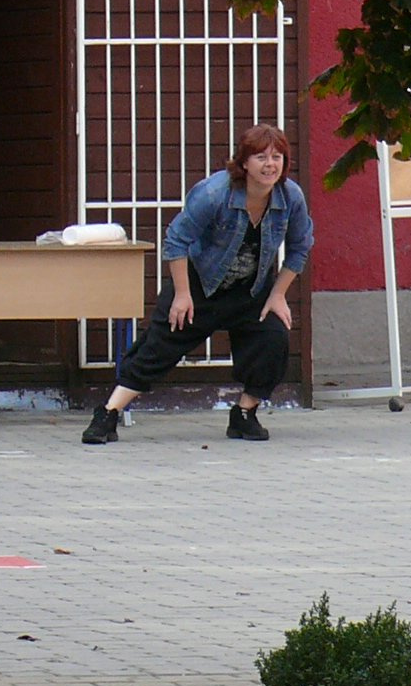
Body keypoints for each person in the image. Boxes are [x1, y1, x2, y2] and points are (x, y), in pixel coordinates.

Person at [82, 123, 314, 445]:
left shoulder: (291, 198)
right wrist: (181, 295)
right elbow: (176, 240)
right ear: (244, 162)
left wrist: (277, 294)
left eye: (277, 157)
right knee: (158, 347)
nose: (269, 164)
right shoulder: (215, 193)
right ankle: (107, 414)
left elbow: (301, 246)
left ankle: (245, 414)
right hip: (199, 284)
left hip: (250, 289)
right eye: (261, 156)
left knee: (273, 339)